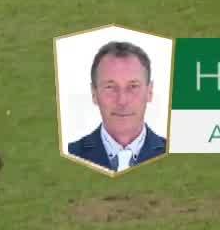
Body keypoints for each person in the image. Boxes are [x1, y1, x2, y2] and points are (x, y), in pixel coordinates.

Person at [67, 41, 166, 173]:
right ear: (94, 93)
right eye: (110, 87)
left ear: (149, 92)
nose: (122, 100)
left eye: (133, 86)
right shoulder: (70, 155)